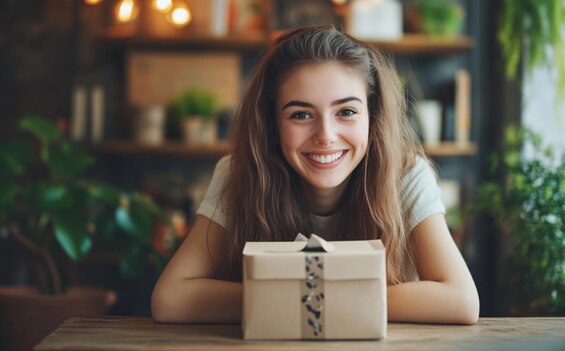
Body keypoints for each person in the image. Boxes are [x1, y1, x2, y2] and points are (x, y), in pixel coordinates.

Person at [151, 25, 479, 325]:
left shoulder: (406, 173)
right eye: (301, 114)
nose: (326, 135)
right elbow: (170, 299)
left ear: (372, 116)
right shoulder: (238, 173)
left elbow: (462, 301)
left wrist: (286, 294)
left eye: (346, 112)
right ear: (273, 125)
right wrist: (341, 295)